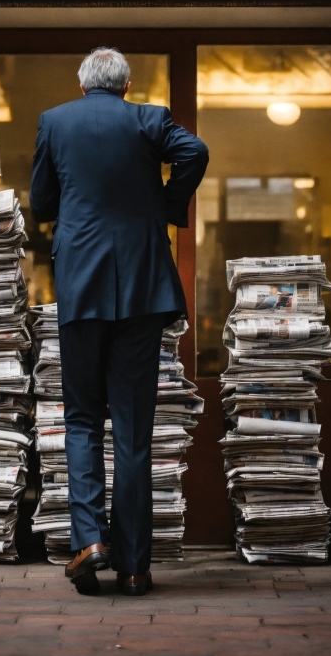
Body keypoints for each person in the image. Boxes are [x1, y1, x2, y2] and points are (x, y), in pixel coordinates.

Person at [30, 47, 208, 597]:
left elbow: (40, 202)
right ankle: (134, 567)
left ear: (83, 85)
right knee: (132, 433)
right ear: (127, 85)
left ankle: (89, 541)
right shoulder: (148, 119)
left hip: (82, 285)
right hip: (141, 288)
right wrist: (163, 206)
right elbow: (195, 152)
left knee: (82, 417)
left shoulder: (55, 122)